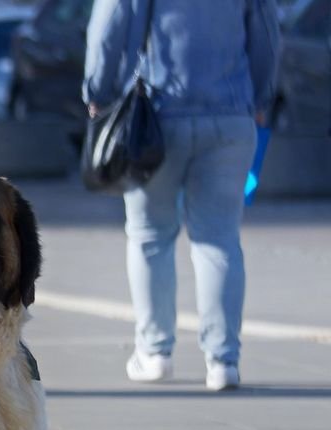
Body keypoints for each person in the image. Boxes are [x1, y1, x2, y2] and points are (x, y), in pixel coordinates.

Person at [84, 0, 280, 391]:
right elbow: (268, 35)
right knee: (219, 239)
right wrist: (260, 98)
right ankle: (223, 361)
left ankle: (155, 353)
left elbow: (109, 25)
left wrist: (98, 90)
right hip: (230, 116)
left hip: (154, 117)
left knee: (150, 235)